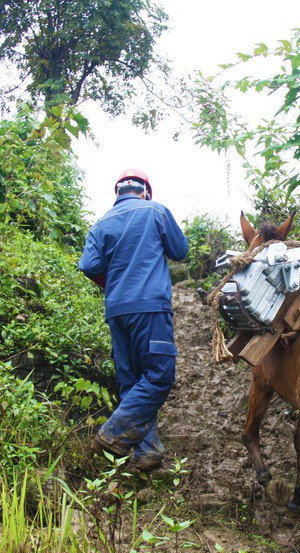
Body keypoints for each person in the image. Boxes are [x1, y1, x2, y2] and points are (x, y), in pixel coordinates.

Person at [79, 169, 188, 471]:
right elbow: (180, 251)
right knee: (159, 376)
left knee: (132, 382)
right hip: (149, 307)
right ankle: (111, 434)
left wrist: (113, 281)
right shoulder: (155, 210)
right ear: (145, 192)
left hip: (116, 310)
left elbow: (89, 265)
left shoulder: (100, 224)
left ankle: (147, 452)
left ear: (118, 193)